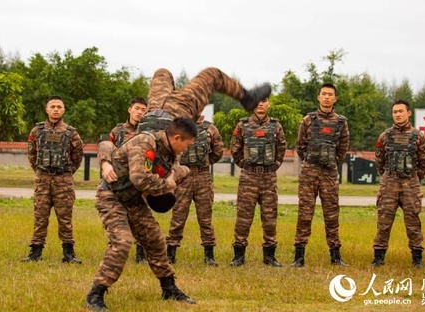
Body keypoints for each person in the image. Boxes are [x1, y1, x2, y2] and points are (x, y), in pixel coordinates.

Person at [85, 117, 198, 311]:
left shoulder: (170, 153)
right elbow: (139, 179)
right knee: (122, 241)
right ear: (177, 138)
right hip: (112, 196)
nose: (186, 150)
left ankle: (168, 287)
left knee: (155, 239)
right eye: (187, 145)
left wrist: (174, 176)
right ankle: (96, 294)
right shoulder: (146, 142)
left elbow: (180, 169)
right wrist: (167, 184)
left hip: (134, 201)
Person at [291, 83, 349, 268]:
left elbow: (343, 148)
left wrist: (331, 163)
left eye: (330, 94)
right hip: (309, 172)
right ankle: (299, 257)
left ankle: (336, 256)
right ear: (318, 97)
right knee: (305, 214)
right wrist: (311, 162)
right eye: (323, 94)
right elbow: (300, 146)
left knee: (331, 215)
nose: (326, 97)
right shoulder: (308, 120)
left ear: (335, 99)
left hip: (329, 173)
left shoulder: (341, 122)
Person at [21, 96, 84, 264]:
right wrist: (42, 172)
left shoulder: (72, 133)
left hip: (63, 181)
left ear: (64, 110)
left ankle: (68, 254)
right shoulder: (36, 132)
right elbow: (32, 154)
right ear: (46, 110)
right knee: (40, 216)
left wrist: (65, 173)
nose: (56, 109)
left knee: (65, 217)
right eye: (52, 106)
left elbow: (77, 157)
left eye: (59, 106)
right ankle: (35, 252)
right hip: (42, 180)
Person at [371, 99, 425, 268]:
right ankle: (378, 258)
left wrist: (414, 178)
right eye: (395, 112)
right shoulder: (385, 136)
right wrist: (387, 176)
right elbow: (379, 159)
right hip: (389, 184)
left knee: (413, 221)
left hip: (410, 184)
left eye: (401, 111)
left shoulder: (418, 136)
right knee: (383, 221)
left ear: (408, 113)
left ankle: (417, 258)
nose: (397, 114)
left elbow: (424, 161)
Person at [229, 98, 286, 267]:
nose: (260, 104)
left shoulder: (276, 126)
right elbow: (235, 149)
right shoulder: (243, 125)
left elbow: (282, 147)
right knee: (243, 217)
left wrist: (275, 165)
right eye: (257, 101)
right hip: (249, 177)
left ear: (269, 104)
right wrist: (246, 166)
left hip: (269, 177)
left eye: (264, 101)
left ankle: (269, 256)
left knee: (270, 217)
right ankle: (238, 255)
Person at [165, 115, 224, 266]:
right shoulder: (178, 127)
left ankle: (209, 255)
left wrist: (203, 164)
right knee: (178, 216)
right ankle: (170, 254)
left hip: (202, 176)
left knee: (205, 217)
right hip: (182, 176)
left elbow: (218, 152)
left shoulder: (210, 129)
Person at [138, 67, 272, 132]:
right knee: (212, 75)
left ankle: (177, 102)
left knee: (162, 73)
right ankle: (247, 98)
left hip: (154, 115)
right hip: (174, 114)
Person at [108, 97, 148, 264]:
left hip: (140, 181)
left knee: (141, 218)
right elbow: (109, 153)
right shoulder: (117, 132)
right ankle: (115, 251)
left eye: (143, 110)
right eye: (137, 108)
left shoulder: (148, 132)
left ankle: (141, 254)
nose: (139, 112)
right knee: (116, 217)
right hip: (120, 181)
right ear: (129, 109)